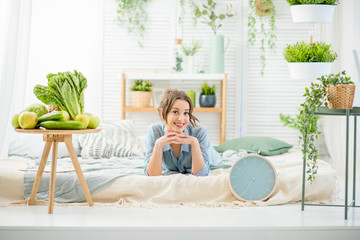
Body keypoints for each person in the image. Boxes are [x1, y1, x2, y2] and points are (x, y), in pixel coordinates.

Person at [144, 89, 221, 176]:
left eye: (186, 113)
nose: (181, 119)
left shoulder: (200, 133)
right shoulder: (154, 132)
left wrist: (194, 143)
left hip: (213, 157)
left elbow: (202, 174)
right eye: (175, 112)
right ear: (162, 113)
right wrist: (158, 144)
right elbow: (151, 175)